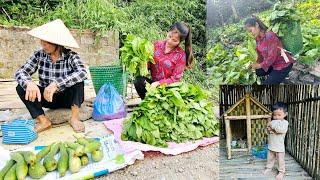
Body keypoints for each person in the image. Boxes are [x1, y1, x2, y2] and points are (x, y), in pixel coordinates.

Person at [15, 19, 87, 133]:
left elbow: (82, 72)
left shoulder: (71, 56)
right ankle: (43, 121)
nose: (43, 44)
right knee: (21, 87)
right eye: (42, 41)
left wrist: (56, 84)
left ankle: (74, 119)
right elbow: (20, 72)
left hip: (67, 98)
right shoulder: (39, 55)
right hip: (47, 97)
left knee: (79, 82)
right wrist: (29, 83)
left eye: (47, 42)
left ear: (57, 44)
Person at [134, 22, 193, 99]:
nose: (169, 41)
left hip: (168, 90)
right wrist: (141, 65)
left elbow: (175, 79)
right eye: (169, 36)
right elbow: (149, 64)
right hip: (153, 86)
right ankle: (147, 102)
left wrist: (159, 83)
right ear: (168, 32)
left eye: (174, 41)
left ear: (179, 42)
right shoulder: (157, 45)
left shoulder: (180, 55)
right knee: (139, 81)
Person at [244, 16, 294, 84]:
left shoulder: (270, 36)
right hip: (272, 64)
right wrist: (255, 63)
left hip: (282, 65)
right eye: (249, 32)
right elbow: (260, 54)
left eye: (251, 30)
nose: (251, 33)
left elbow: (271, 58)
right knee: (258, 72)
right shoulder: (257, 38)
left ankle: (281, 75)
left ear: (256, 25)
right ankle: (274, 76)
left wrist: (259, 65)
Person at [263, 102, 289, 180]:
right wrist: (268, 129)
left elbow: (280, 130)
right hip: (271, 145)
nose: (276, 117)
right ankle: (269, 167)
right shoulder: (272, 122)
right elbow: (267, 132)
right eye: (274, 115)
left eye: (279, 115)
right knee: (270, 158)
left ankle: (281, 172)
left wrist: (272, 125)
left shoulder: (285, 123)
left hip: (279, 147)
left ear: (285, 114)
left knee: (280, 160)